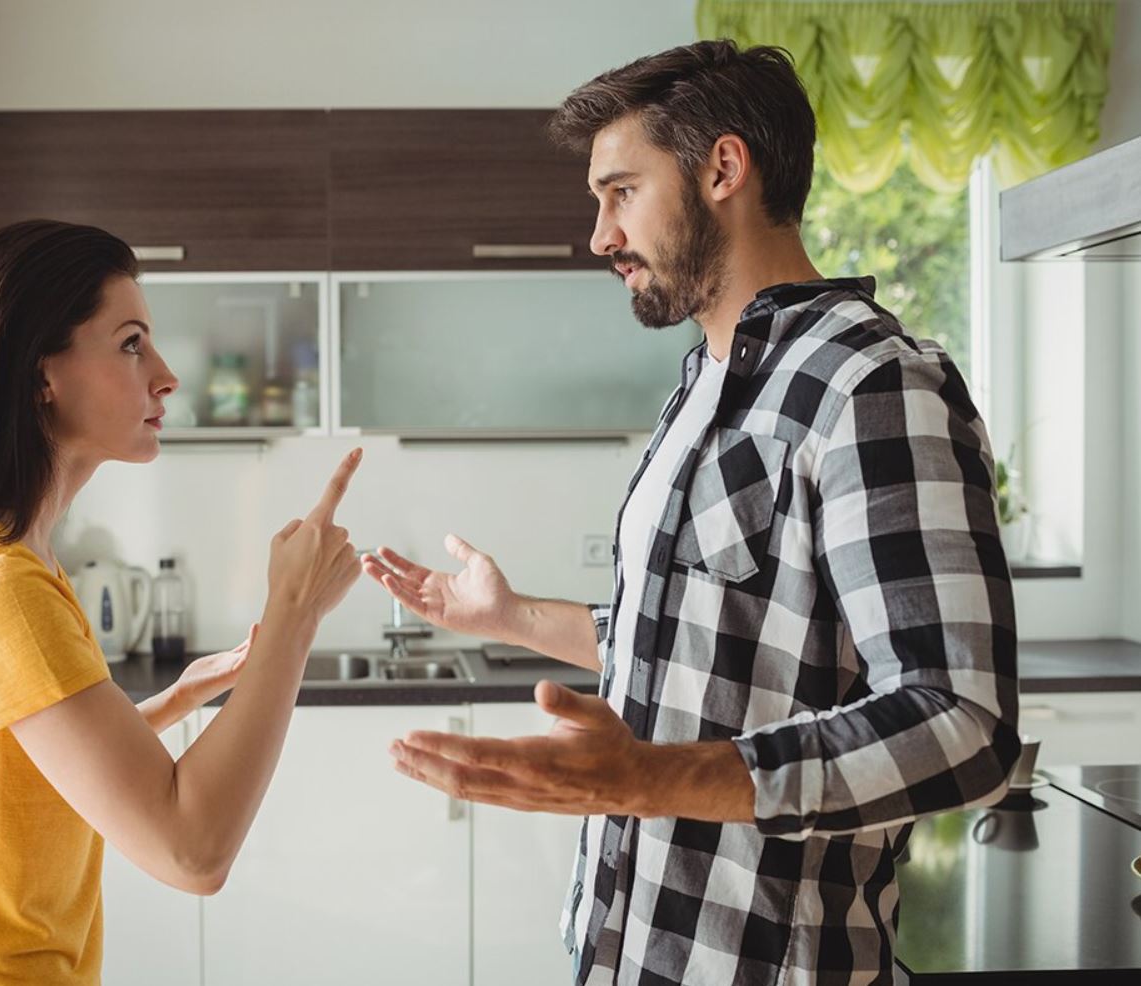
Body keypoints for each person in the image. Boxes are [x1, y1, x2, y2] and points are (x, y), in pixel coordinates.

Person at [367, 40, 1019, 985]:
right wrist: (507, 619)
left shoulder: (870, 388)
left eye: (621, 191)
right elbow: (697, 642)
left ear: (723, 167)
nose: (598, 234)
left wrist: (650, 777)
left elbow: (963, 722)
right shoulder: (703, 385)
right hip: (628, 954)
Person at [0, 219, 363, 985]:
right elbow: (193, 851)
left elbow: (22, 768)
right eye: (130, 343)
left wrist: (173, 702)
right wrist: (293, 611)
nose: (165, 375)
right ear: (39, 373)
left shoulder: (2, 565)